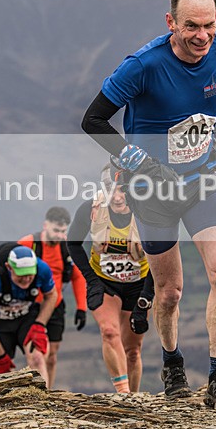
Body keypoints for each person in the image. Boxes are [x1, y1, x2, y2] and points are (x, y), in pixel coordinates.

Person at [81, 0, 216, 409]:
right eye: (192, 26)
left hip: (202, 180)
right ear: (171, 22)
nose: (202, 37)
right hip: (151, 190)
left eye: (210, 25)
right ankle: (172, 361)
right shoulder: (141, 65)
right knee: (169, 291)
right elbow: (94, 120)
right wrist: (141, 163)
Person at [66, 163, 155, 393]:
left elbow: (163, 256)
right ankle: (123, 394)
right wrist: (91, 280)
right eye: (111, 191)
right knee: (109, 332)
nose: (117, 198)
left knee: (133, 351)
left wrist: (147, 295)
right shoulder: (91, 209)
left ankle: (135, 398)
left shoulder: (148, 210)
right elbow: (72, 243)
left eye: (122, 190)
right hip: (105, 283)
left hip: (140, 284)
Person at [17, 206, 87, 390]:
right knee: (37, 355)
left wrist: (81, 308)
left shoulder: (67, 248)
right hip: (31, 306)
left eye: (64, 231)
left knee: (52, 355)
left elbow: (77, 276)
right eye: (56, 230)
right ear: (45, 226)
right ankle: (39, 395)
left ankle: (48, 393)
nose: (60, 235)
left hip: (56, 306)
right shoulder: (28, 244)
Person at [0, 245, 57, 387]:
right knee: (4, 370)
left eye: (30, 274)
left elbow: (51, 295)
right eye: (21, 274)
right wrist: (0, 355)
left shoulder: (42, 269)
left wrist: (40, 324)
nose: (26, 279)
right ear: (9, 267)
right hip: (0, 322)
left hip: (27, 317)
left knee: (37, 357)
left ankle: (43, 399)